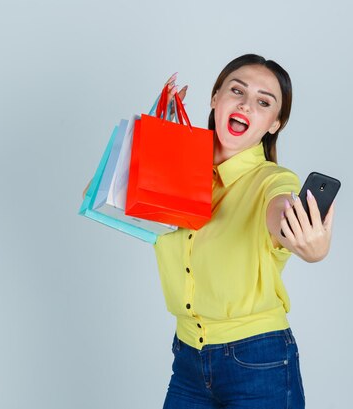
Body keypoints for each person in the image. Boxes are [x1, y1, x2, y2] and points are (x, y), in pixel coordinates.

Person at [83, 54, 335, 408]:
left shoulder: (272, 180)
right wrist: (152, 139)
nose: (247, 104)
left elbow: (281, 210)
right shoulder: (173, 169)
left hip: (260, 361)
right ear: (215, 98)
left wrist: (307, 241)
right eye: (237, 91)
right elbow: (98, 199)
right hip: (187, 358)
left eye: (264, 102)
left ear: (275, 123)